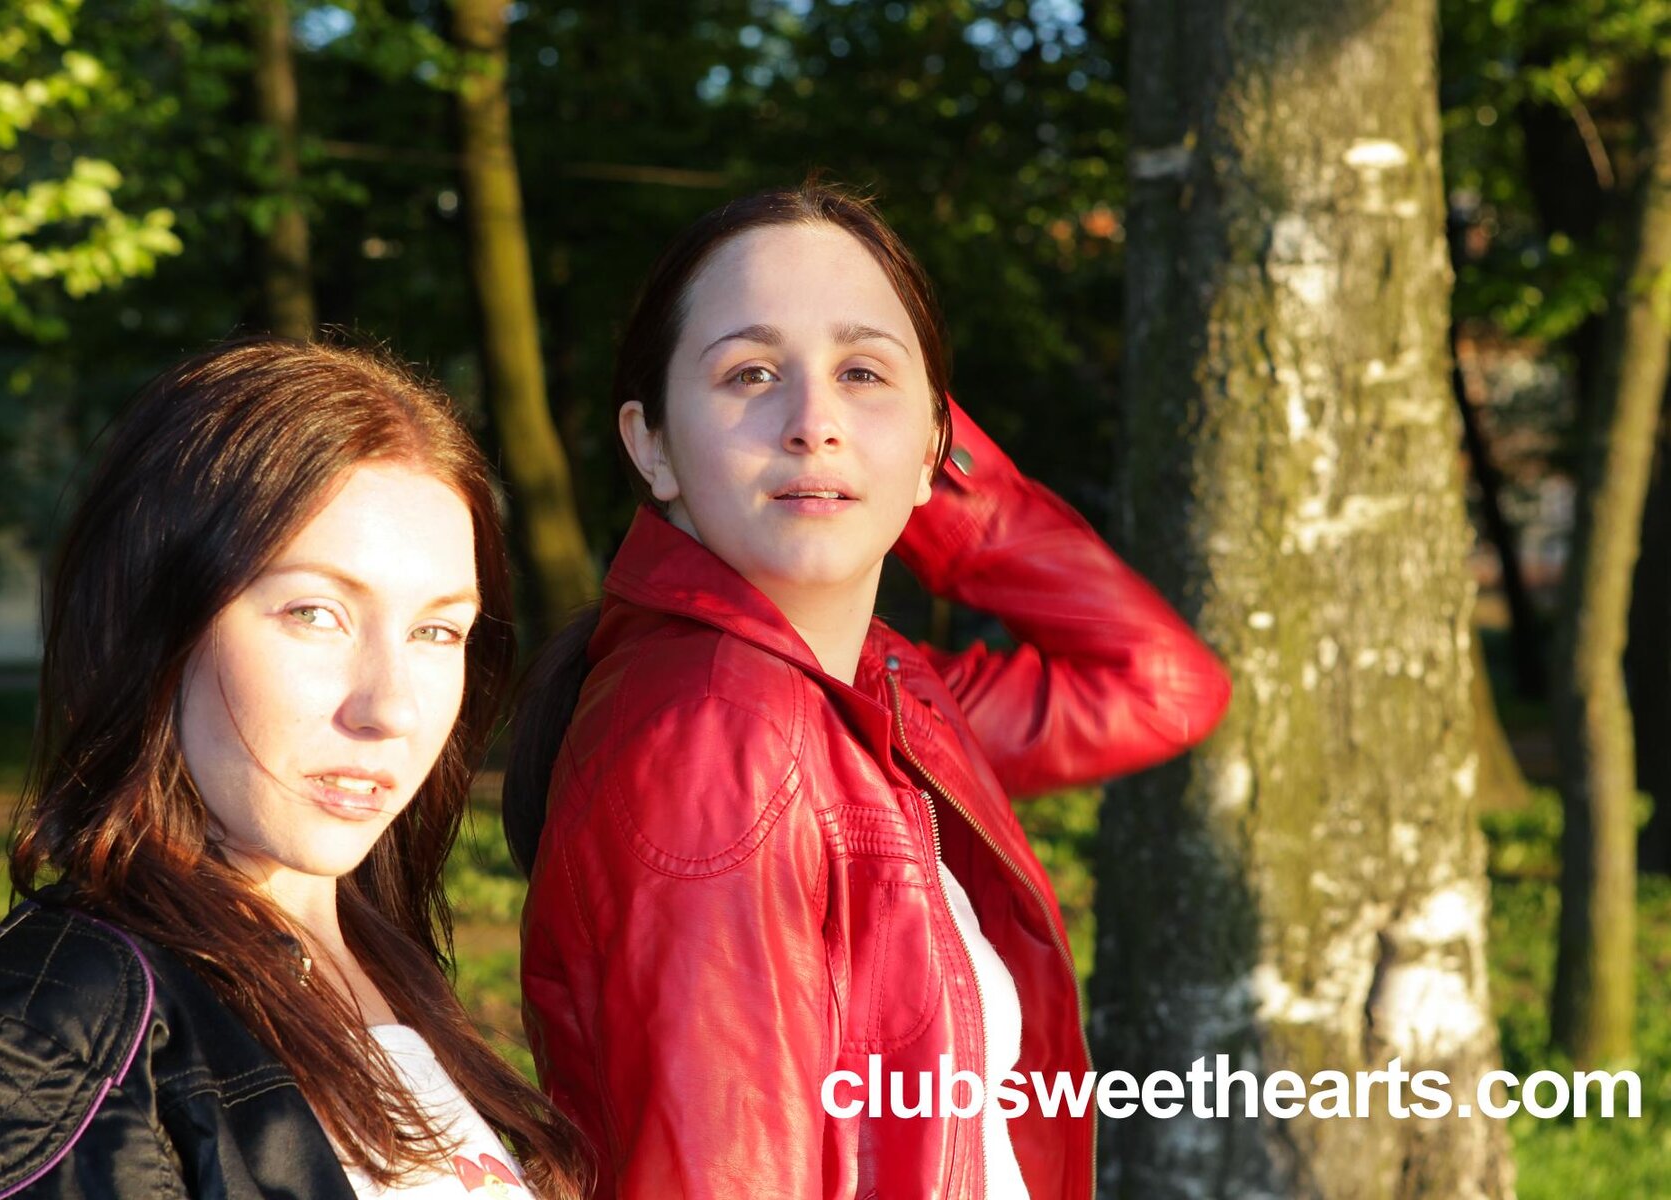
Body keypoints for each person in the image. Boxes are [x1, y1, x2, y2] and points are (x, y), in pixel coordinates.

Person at [502, 182, 1234, 1199]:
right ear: (650, 444)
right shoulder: (721, 729)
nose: (814, 423)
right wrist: (889, 435)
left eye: (861, 374)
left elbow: (1159, 684)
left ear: (937, 442)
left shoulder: (873, 696)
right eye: (751, 374)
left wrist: (913, 461)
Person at [0, 338, 588, 1200]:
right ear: (157, 626)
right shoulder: (56, 1031)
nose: (392, 708)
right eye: (315, 613)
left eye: (437, 631)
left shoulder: (386, 966)